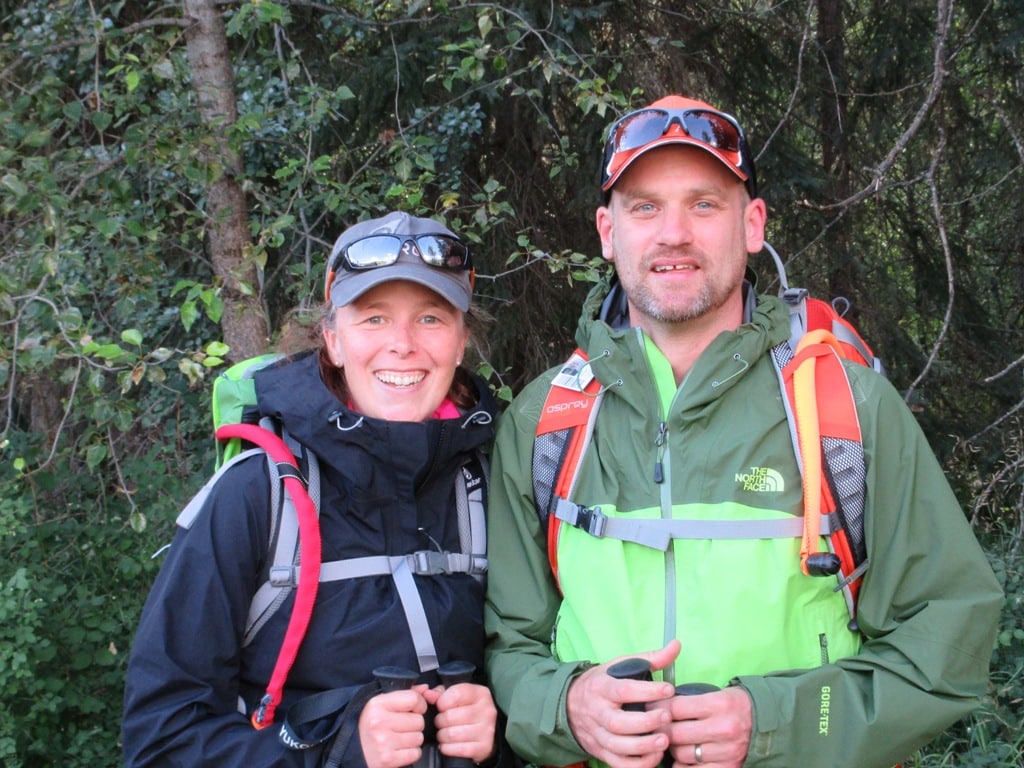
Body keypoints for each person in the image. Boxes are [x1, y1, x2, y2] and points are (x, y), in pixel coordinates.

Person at [483, 95, 1004, 768]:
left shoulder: (846, 406)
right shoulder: (545, 419)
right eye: (645, 206)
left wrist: (777, 723)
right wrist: (566, 705)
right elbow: (502, 647)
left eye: (704, 204)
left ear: (752, 223)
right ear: (607, 233)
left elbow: (948, 636)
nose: (673, 233)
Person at [124, 211, 508, 768]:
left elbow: (534, 683)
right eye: (373, 319)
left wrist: (497, 737)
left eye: (430, 318)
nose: (402, 345)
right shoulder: (256, 494)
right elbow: (158, 741)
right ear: (331, 340)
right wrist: (334, 751)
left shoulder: (490, 486)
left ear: (460, 341)